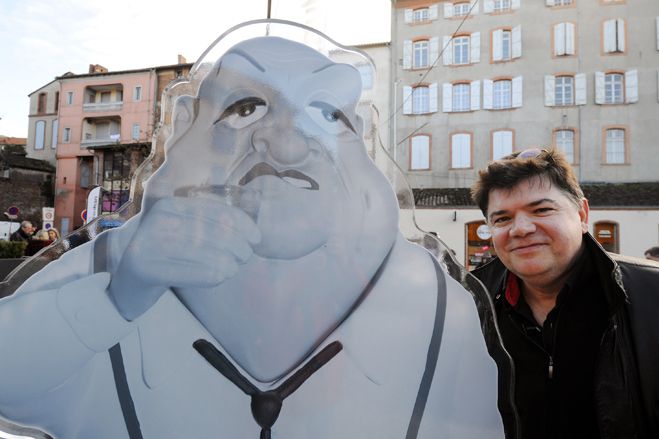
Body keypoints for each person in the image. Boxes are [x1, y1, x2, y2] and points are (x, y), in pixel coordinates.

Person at [0, 27, 504, 439]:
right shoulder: (116, 264)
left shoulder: (433, 302)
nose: (286, 147)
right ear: (182, 128)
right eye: (244, 108)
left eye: (325, 114)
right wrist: (111, 302)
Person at [471, 148, 659, 439]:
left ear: (582, 214)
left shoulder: (651, 296)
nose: (520, 229)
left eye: (541, 210)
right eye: (502, 219)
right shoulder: (469, 306)